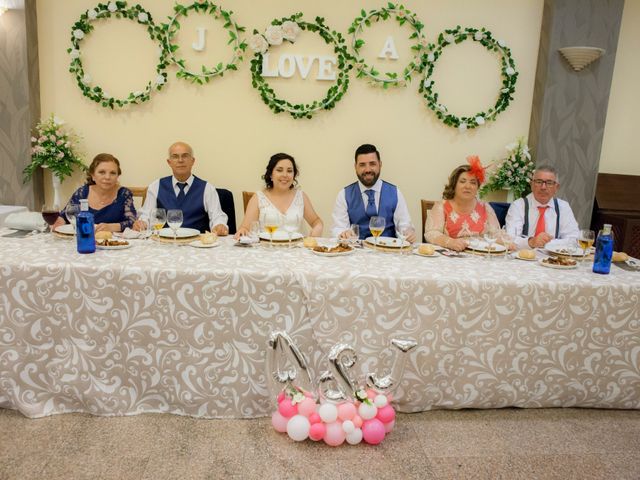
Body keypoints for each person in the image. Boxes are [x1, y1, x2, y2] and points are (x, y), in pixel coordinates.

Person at [133, 142, 228, 235]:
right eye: (175, 156)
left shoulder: (207, 188)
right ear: (169, 162)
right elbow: (146, 215)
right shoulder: (155, 186)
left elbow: (217, 216)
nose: (180, 160)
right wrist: (142, 223)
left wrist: (219, 225)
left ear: (193, 161)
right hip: (165, 244)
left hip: (196, 245)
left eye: (185, 156)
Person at [331, 144, 415, 242]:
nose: (367, 170)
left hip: (387, 252)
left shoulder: (395, 193)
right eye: (362, 165)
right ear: (355, 167)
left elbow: (404, 226)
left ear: (380, 164)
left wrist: (407, 233)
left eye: (372, 164)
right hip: (356, 252)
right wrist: (343, 234)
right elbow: (338, 228)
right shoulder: (344, 195)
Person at [234, 153, 323, 238]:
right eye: (279, 170)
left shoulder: (301, 196)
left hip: (296, 251)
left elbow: (316, 221)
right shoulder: (258, 198)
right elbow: (245, 228)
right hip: (266, 250)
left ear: (294, 175)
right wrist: (242, 231)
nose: (285, 175)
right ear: (271, 175)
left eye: (289, 171)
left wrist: (318, 226)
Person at [424, 157, 501, 251]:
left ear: (477, 187)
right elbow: (431, 233)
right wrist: (449, 242)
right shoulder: (441, 207)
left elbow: (497, 234)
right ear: (454, 185)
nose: (468, 186)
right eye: (462, 181)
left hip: (480, 258)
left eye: (473, 183)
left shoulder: (486, 208)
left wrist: (507, 242)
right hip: (450, 258)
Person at [53, 153, 136, 233]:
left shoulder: (124, 194)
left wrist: (112, 227)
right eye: (102, 172)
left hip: (113, 243)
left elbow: (132, 221)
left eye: (113, 173)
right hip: (85, 241)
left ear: (117, 176)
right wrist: (58, 222)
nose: (107, 177)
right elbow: (65, 216)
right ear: (93, 175)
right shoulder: (82, 193)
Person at [505, 165, 579, 249]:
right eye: (539, 182)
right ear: (531, 185)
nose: (543, 187)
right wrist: (531, 242)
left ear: (556, 187)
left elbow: (574, 239)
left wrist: (548, 243)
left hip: (552, 259)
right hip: (523, 258)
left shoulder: (563, 207)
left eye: (549, 183)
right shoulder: (518, 205)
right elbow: (509, 239)